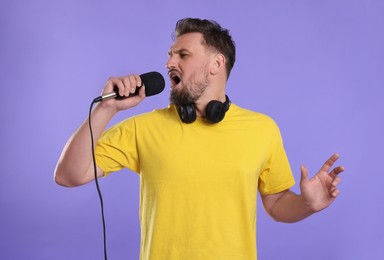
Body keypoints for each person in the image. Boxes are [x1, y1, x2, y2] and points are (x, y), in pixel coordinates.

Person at [54, 18, 344, 260]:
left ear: (216, 63)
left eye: (182, 54)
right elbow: (68, 175)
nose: (169, 62)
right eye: (170, 54)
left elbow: (277, 204)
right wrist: (107, 108)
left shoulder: (262, 129)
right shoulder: (143, 128)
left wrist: (309, 205)